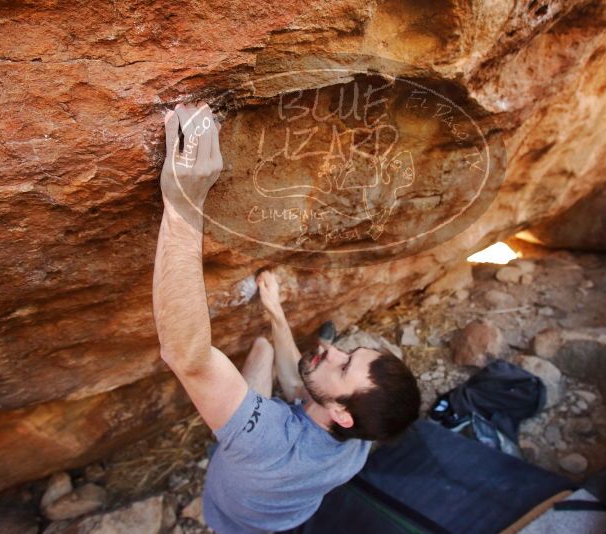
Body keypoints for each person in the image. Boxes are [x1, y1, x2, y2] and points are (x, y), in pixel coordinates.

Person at [152, 102, 421, 533]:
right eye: (348, 352)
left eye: (344, 365)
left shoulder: (269, 443)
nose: (331, 350)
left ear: (341, 413)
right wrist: (274, 310)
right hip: (295, 514)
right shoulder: (358, 439)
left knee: (241, 388)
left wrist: (184, 200)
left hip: (235, 522)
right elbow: (299, 389)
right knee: (263, 347)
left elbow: (188, 357)